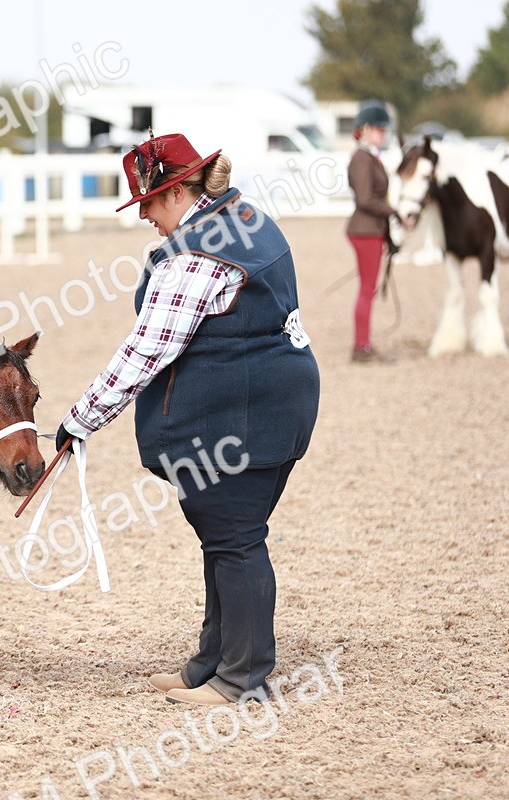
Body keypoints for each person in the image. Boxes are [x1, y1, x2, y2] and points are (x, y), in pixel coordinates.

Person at [55, 133, 320, 706]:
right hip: (279, 403)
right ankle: (212, 663)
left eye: (147, 202)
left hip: (243, 415)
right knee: (226, 537)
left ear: (176, 192)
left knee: (236, 539)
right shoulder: (244, 216)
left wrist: (80, 419)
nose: (144, 214)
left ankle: (242, 679)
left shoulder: (193, 257)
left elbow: (147, 351)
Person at [346, 100, 398, 363]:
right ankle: (361, 346)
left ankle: (363, 343)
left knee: (369, 288)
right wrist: (393, 211)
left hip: (371, 229)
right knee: (367, 289)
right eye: (378, 129)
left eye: (383, 129)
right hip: (365, 230)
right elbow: (365, 199)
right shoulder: (361, 158)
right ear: (364, 129)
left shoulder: (369, 157)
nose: (383, 133)